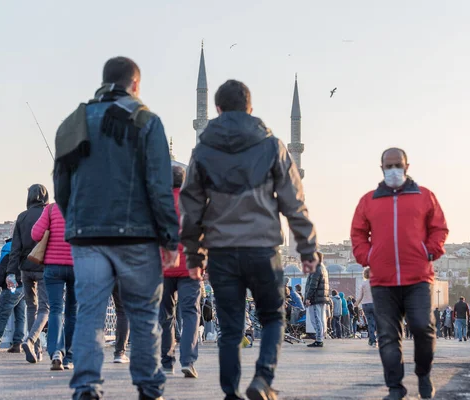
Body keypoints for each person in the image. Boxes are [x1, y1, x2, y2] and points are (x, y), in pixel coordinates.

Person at [179, 79, 318, 400]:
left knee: (230, 328)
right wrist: (308, 248)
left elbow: (191, 209)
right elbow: (293, 201)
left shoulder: (202, 150)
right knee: (272, 318)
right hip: (263, 248)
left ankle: (231, 393)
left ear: (217, 109)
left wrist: (195, 257)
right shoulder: (272, 146)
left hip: (222, 252)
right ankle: (262, 379)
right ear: (250, 108)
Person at [53, 56, 180, 400]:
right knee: (142, 314)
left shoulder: (74, 121)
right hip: (137, 236)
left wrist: (77, 219)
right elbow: (158, 185)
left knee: (90, 313)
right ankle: (149, 386)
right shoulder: (148, 122)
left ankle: (86, 387)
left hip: (88, 236)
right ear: (135, 84)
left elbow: (61, 185)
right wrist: (169, 238)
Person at [351, 147, 448, 400]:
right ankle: (396, 387)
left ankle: (423, 374)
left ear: (407, 166)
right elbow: (358, 235)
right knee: (387, 337)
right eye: (388, 166)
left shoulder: (425, 197)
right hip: (382, 281)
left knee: (422, 327)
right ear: (381, 168)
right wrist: (368, 257)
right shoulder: (368, 201)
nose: (393, 170)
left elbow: (439, 228)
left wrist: (430, 251)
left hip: (417, 278)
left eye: (397, 165)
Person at [159, 165, 202, 378]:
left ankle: (166, 362)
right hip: (190, 268)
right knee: (190, 314)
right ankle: (188, 361)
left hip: (163, 267)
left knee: (165, 315)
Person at [6, 184, 49, 363]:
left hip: (25, 268)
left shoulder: (22, 217)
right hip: (44, 267)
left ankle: (36, 350)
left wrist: (10, 273)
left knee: (31, 307)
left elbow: (15, 248)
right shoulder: (48, 215)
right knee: (45, 307)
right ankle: (32, 342)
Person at [31, 202, 77, 371]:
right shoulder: (84, 205)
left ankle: (56, 352)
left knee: (56, 310)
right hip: (77, 266)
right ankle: (69, 357)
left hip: (53, 267)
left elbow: (36, 234)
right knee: (72, 311)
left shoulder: (51, 208)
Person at [0, 238, 26, 353]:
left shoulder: (7, 248)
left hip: (11, 287)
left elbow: (1, 268)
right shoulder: (25, 246)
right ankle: (17, 344)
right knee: (20, 316)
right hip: (24, 285)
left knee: (2, 315)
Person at [304, 251, 329, 347]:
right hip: (321, 298)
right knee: (320, 319)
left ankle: (319, 339)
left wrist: (308, 298)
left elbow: (313, 285)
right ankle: (320, 338)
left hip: (315, 298)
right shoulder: (323, 268)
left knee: (315, 319)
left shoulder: (316, 269)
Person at [355, 267, 377, 346]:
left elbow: (360, 296)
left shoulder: (363, 284)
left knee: (370, 323)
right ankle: (375, 338)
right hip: (375, 304)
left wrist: (357, 303)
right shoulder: (376, 283)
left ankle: (372, 340)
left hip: (366, 305)